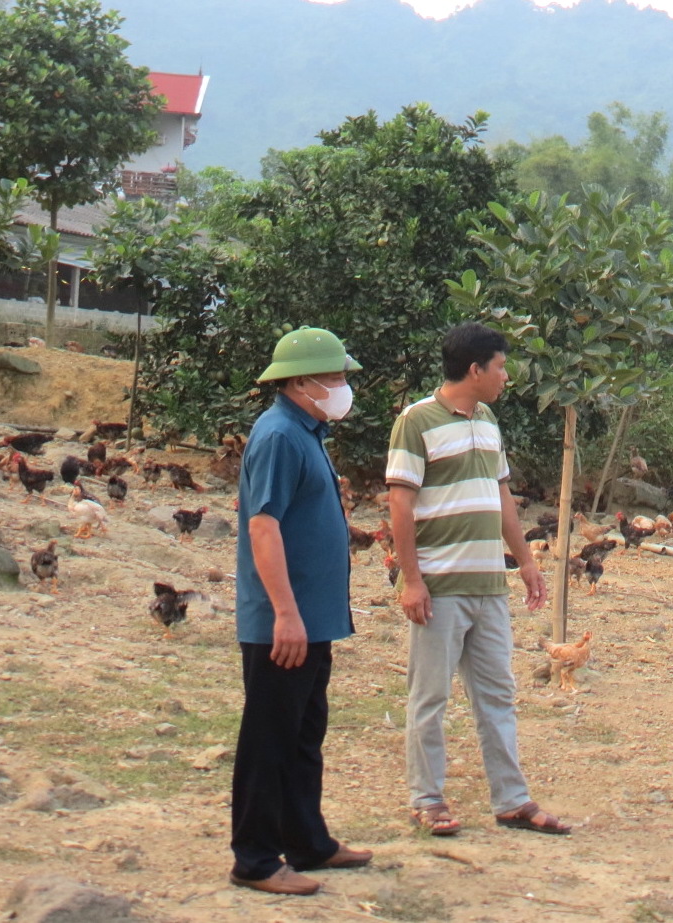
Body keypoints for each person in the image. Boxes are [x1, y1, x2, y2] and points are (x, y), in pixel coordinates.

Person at [386, 322, 571, 837]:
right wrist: (412, 581)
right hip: (440, 587)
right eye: (501, 366)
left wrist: (526, 562)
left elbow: (502, 497)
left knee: (497, 694)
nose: (506, 376)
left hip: (489, 585)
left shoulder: (488, 420)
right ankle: (427, 799)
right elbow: (400, 503)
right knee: (430, 697)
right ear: (475, 369)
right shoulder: (415, 422)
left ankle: (512, 801)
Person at [229, 327, 373, 895]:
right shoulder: (279, 437)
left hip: (312, 619)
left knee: (304, 732)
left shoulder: (307, 432)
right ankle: (256, 859)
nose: (342, 387)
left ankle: (307, 841)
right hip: (284, 622)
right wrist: (284, 614)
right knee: (269, 737)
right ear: (300, 382)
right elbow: (263, 528)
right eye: (334, 378)